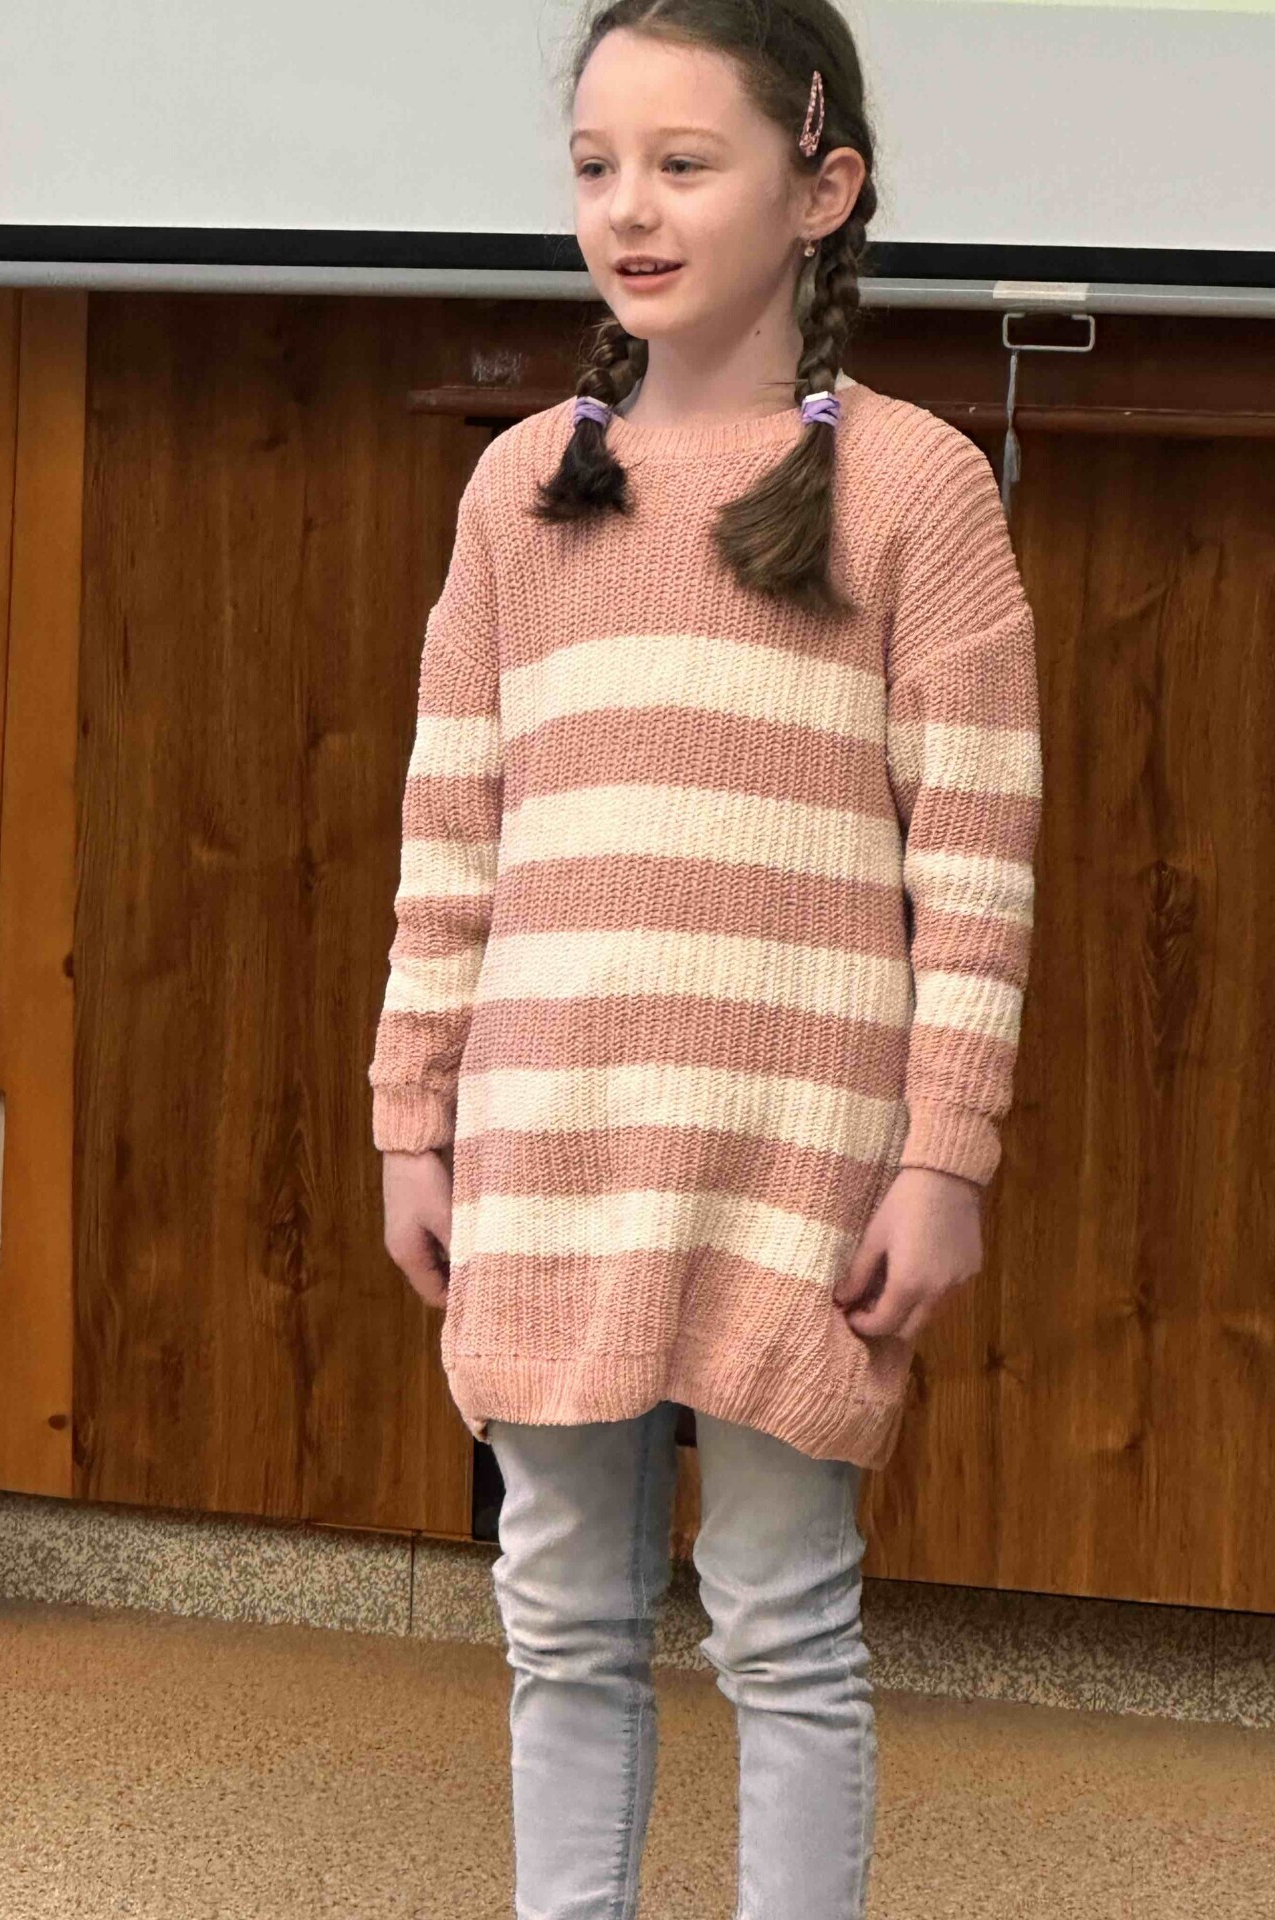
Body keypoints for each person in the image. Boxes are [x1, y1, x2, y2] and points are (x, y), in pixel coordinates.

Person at [368, 1, 1043, 1912]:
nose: (629, 209)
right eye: (597, 167)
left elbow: (979, 860)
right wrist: (413, 1119)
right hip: (551, 1141)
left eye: (684, 164)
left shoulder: (917, 488)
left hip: (796, 1157)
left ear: (820, 189)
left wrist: (946, 1156)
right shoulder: (520, 488)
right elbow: (449, 835)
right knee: (560, 1615)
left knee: (784, 1621)